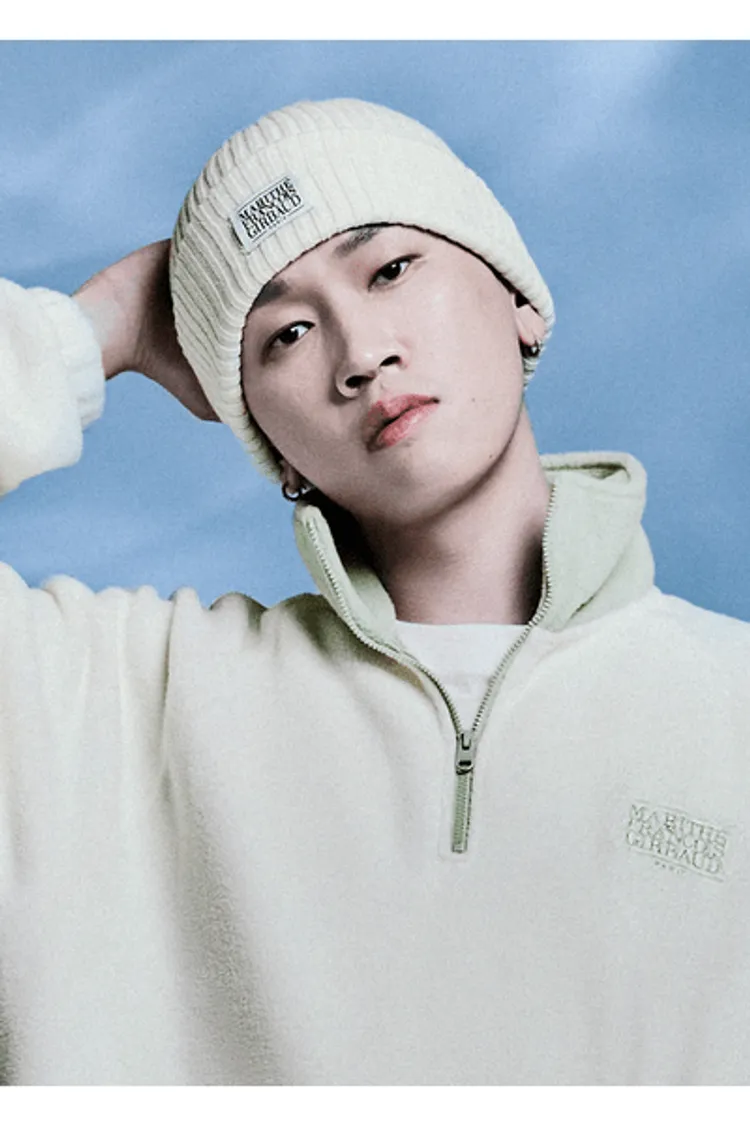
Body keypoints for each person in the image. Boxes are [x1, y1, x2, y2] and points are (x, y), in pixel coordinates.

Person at [1, 96, 749, 1087]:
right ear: (271, 445)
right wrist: (94, 327)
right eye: (286, 334)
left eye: (391, 269)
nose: (360, 355)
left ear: (519, 297)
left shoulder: (731, 706)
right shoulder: (117, 699)